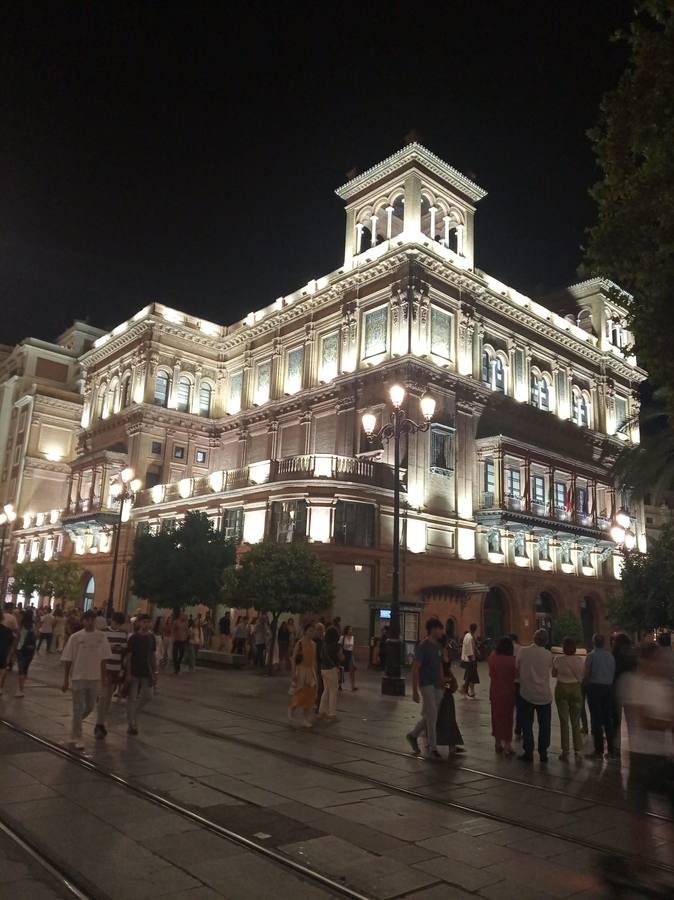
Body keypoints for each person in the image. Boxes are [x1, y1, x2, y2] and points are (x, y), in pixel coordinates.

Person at [620, 641, 674, 857]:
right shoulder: (632, 683)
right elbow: (643, 720)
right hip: (642, 757)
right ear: (646, 660)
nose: (662, 665)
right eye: (658, 660)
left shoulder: (664, 685)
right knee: (639, 814)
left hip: (663, 757)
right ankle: (642, 862)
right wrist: (668, 723)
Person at [61, 609, 112, 749]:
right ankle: (78, 736)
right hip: (78, 676)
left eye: (92, 620)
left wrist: (104, 676)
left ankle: (75, 726)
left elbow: (103, 659)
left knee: (90, 706)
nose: (90, 622)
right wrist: (65, 679)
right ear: (83, 621)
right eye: (87, 619)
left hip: (94, 677)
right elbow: (68, 659)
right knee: (77, 708)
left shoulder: (101, 637)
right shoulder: (75, 637)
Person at [407, 617, 445, 760]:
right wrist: (415, 691)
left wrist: (443, 683)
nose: (442, 631)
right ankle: (432, 747)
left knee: (431, 714)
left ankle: (413, 735)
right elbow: (415, 668)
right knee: (433, 715)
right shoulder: (423, 646)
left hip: (437, 685)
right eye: (440, 628)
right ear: (434, 629)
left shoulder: (438, 647)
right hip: (426, 684)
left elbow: (440, 666)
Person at [517, 628, 553, 762]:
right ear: (546, 641)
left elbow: (517, 667)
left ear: (534, 637)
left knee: (527, 724)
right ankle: (543, 752)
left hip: (526, 693)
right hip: (544, 695)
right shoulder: (548, 655)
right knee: (545, 725)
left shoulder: (523, 651)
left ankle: (528, 752)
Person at [95, 611, 128, 738]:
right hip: (105, 668)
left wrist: (122, 670)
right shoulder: (103, 632)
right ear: (112, 620)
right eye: (116, 623)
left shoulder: (123, 634)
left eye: (119, 624)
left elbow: (124, 652)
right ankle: (99, 724)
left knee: (108, 697)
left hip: (116, 668)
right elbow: (99, 649)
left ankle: (101, 722)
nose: (117, 626)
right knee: (103, 696)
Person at [584, 633, 616, 759]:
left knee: (596, 719)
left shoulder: (591, 656)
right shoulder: (610, 656)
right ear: (604, 643)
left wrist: (584, 686)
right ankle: (611, 750)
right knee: (608, 719)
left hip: (595, 688)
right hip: (608, 688)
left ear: (593, 642)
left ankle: (598, 750)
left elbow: (587, 674)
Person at [552, 637, 585, 761]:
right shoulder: (579, 660)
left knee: (564, 721)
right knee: (576, 721)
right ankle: (578, 749)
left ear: (564, 648)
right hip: (576, 689)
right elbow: (582, 675)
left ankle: (565, 750)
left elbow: (553, 674)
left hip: (562, 689)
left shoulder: (558, 659)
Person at [125, 613, 158, 735]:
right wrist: (128, 673)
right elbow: (129, 656)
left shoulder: (151, 637)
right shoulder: (133, 638)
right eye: (144, 622)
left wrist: (155, 672)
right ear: (139, 623)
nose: (147, 624)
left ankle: (136, 712)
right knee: (132, 698)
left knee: (149, 695)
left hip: (146, 671)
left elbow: (152, 655)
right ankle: (131, 724)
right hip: (134, 671)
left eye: (148, 622)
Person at [488, 636, 517, 755]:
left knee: (496, 717)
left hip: (495, 691)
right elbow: (516, 675)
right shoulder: (512, 660)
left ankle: (497, 742)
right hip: (508, 692)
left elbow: (490, 673)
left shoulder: (492, 657)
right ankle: (507, 745)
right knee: (508, 718)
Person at [436, 635, 464, 755]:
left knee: (449, 714)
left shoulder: (445, 651)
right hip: (439, 687)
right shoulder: (437, 653)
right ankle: (432, 741)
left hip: (446, 686)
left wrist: (453, 680)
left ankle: (452, 744)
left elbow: (447, 669)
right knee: (442, 715)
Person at [288, 622, 317, 728]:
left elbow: (314, 660)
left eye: (313, 631)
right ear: (305, 631)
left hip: (310, 671)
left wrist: (316, 674)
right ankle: (292, 708)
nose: (312, 633)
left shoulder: (314, 644)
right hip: (301, 671)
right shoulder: (300, 643)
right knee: (300, 694)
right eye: (310, 630)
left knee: (309, 695)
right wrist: (293, 673)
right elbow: (293, 659)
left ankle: (305, 719)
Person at [611, 631, 635, 751]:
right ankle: (633, 745)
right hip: (631, 690)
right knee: (631, 722)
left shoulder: (615, 654)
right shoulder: (632, 654)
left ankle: (616, 748)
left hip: (617, 689)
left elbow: (613, 672)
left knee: (616, 721)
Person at [318, 625, 341, 721]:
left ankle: (322, 711)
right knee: (333, 691)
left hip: (323, 669)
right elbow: (340, 657)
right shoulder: (336, 646)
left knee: (326, 690)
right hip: (332, 669)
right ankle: (332, 714)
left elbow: (321, 656)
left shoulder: (324, 644)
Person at [460, 623, 479, 698]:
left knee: (471, 676)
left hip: (469, 659)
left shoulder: (469, 636)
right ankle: (464, 689)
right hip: (469, 659)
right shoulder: (469, 637)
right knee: (470, 676)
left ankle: (469, 691)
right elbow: (469, 649)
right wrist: (472, 659)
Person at [0, 611, 15, 696]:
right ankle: (0, 688)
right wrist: (9, 656)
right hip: (3, 653)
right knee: (2, 671)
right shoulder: (8, 631)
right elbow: (11, 644)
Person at [338, 625, 357, 691]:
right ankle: (339, 685)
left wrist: (353, 658)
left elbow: (352, 648)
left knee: (352, 670)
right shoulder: (342, 637)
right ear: (347, 630)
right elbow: (340, 646)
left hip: (350, 654)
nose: (351, 631)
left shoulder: (352, 638)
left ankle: (353, 686)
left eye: (351, 630)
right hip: (344, 653)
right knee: (341, 670)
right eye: (350, 629)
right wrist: (341, 654)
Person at [313, 622, 325, 712]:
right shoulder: (314, 640)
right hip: (316, 664)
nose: (321, 631)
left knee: (321, 686)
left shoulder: (322, 640)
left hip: (321, 665)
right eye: (319, 629)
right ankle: (316, 704)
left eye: (321, 629)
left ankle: (319, 704)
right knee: (317, 685)